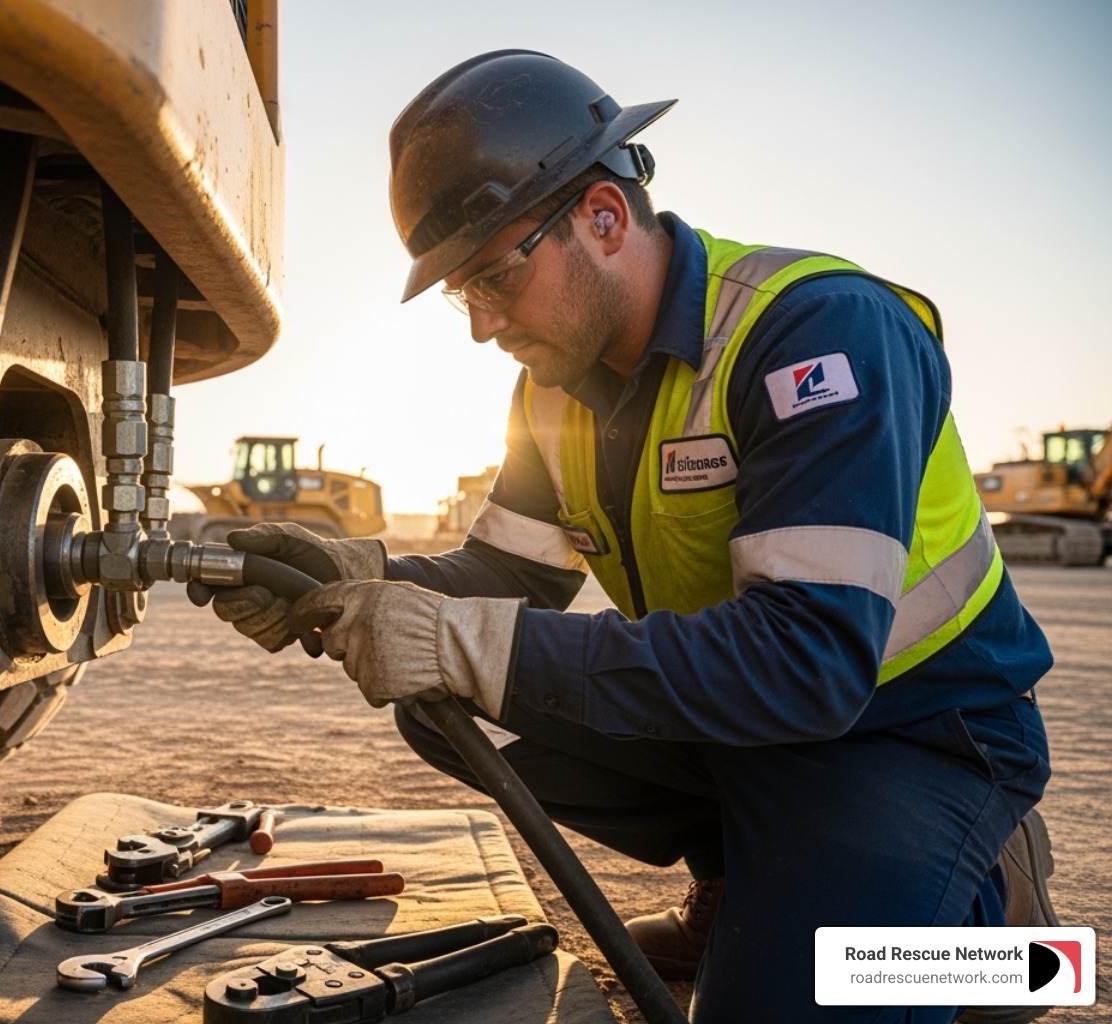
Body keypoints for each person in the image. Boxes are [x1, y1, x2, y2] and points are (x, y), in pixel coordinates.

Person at [190, 51, 1058, 1023]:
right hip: (752, 718)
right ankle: (752, 876)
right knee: (441, 701)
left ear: (603, 217)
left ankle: (995, 935)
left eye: (490, 275)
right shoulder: (553, 387)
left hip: (910, 732)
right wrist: (364, 572)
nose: (478, 323)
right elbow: (509, 574)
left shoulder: (816, 335)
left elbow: (810, 659)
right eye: (454, 291)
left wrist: (464, 639)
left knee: (786, 1006)